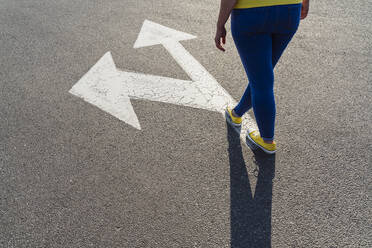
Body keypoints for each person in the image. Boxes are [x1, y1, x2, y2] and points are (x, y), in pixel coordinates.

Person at [215, 0, 310, 154]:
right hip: (289, 10)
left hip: (251, 13)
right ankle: (236, 113)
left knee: (261, 81)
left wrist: (220, 25)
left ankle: (267, 140)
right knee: (261, 76)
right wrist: (305, 2)